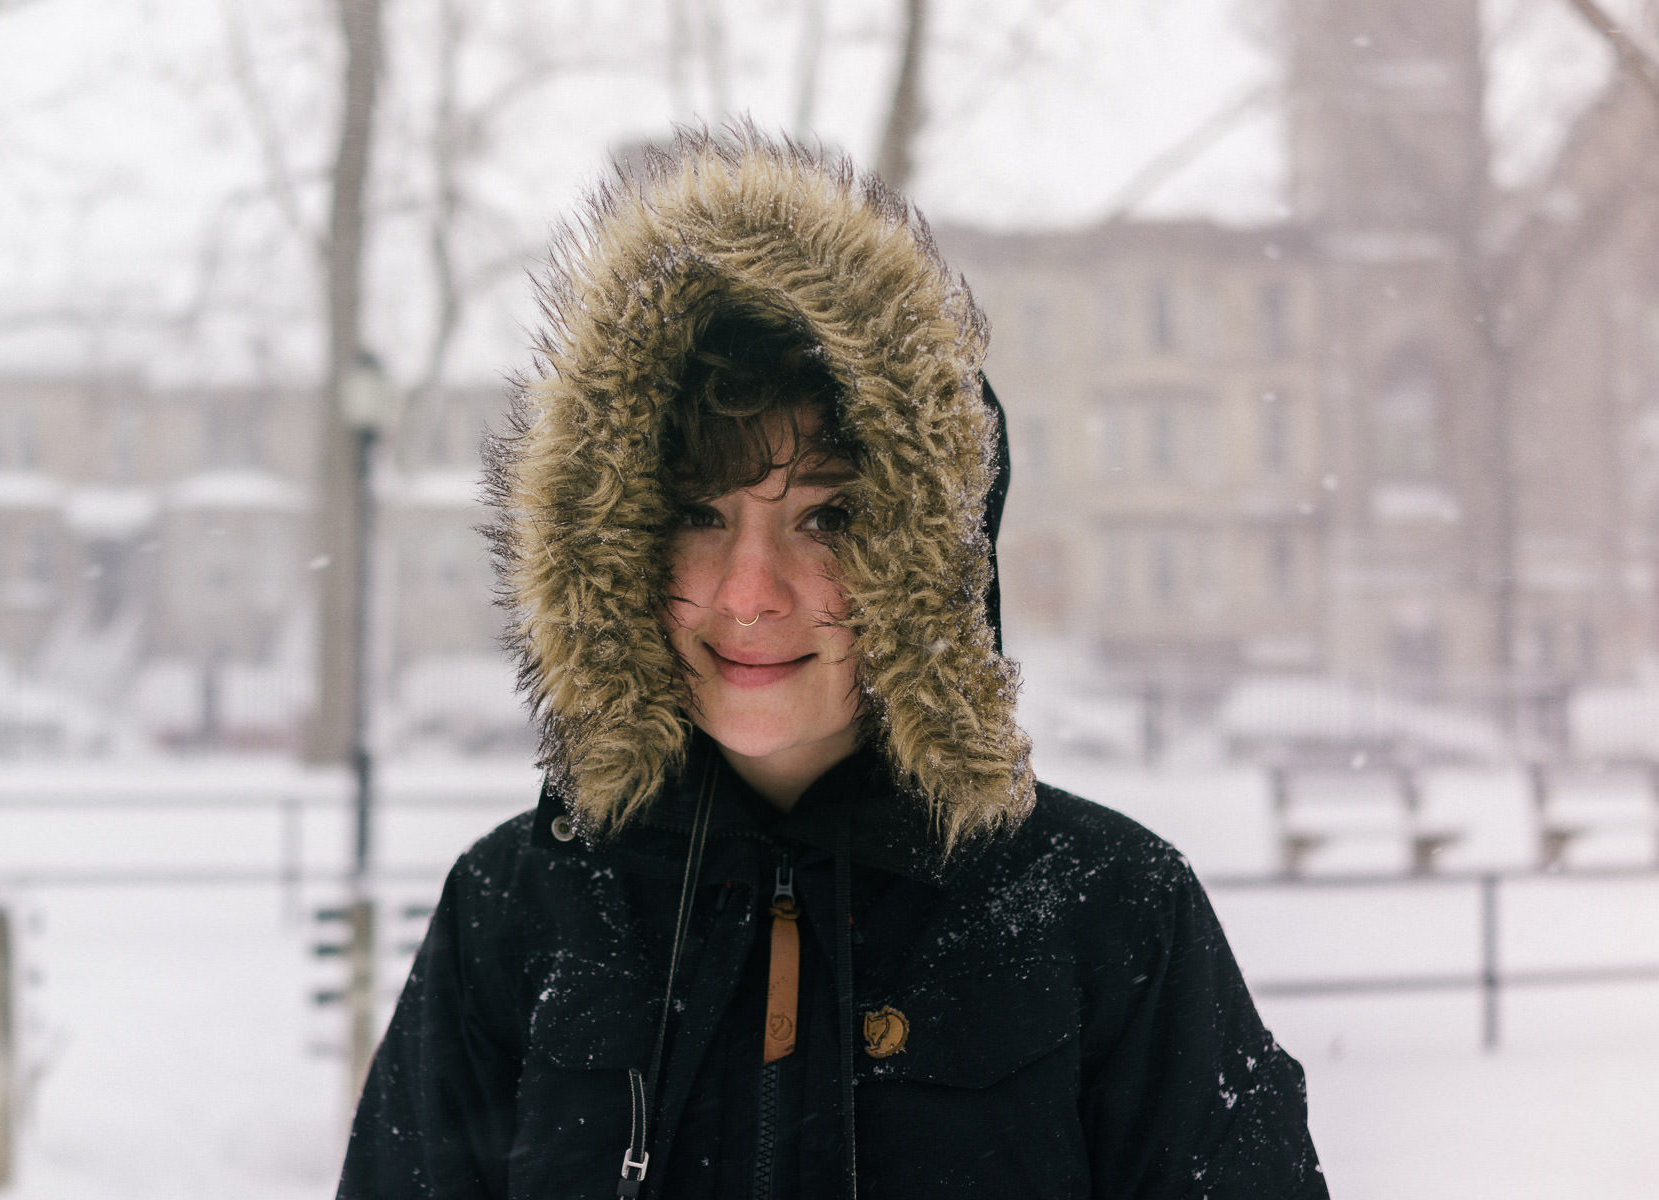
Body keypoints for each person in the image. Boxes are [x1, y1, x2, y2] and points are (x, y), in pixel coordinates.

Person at [337, 128, 1328, 1200]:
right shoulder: (515, 911)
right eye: (699, 515)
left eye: (828, 518)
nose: (750, 593)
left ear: (923, 553)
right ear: (616, 544)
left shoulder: (1110, 912)